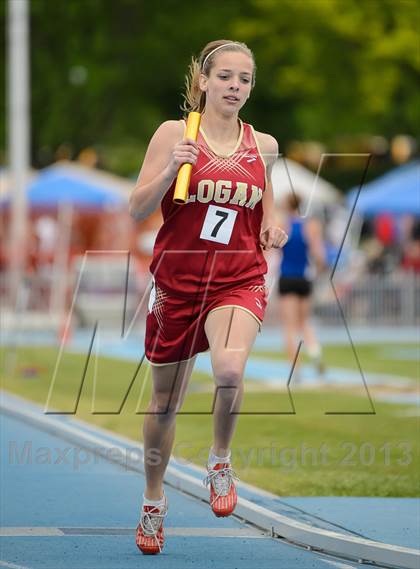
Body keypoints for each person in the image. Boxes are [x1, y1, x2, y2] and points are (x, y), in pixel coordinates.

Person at [129, 39, 288, 555]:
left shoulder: (263, 145)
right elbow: (136, 208)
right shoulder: (176, 133)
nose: (235, 87)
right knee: (165, 402)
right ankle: (154, 502)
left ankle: (219, 460)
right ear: (203, 80)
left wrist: (275, 228)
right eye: (225, 77)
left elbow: (268, 210)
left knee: (229, 371)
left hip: (237, 278)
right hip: (178, 281)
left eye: (244, 79)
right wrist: (168, 168)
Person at [277, 193, 326, 383]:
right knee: (304, 323)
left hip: (287, 277)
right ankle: (315, 354)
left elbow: (271, 249)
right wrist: (321, 268)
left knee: (290, 326)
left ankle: (295, 369)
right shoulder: (310, 226)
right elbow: (318, 253)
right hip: (304, 278)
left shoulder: (283, 224)